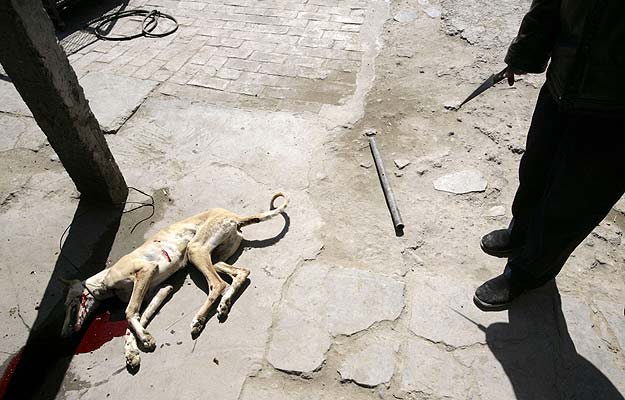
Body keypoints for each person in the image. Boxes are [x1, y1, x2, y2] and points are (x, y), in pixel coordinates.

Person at [473, 0, 625, 311]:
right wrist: (524, 55)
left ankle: (529, 271)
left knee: (572, 201)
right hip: (562, 85)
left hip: (615, 114)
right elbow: (549, 3)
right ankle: (522, 232)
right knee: (535, 168)